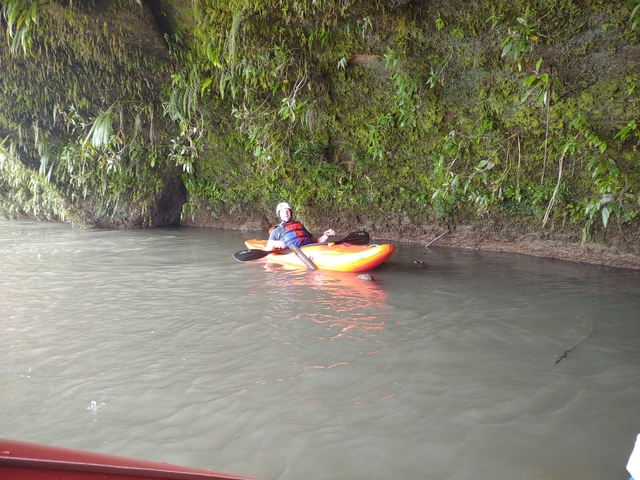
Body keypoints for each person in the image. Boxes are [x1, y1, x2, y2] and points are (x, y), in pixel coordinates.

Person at [265, 202, 335, 250]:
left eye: (287, 211)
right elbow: (268, 248)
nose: (285, 213)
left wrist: (326, 235)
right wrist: (275, 243)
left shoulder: (299, 226)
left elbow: (316, 241)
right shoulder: (278, 230)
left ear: (291, 213)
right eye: (282, 212)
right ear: (279, 214)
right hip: (292, 253)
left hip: (310, 249)